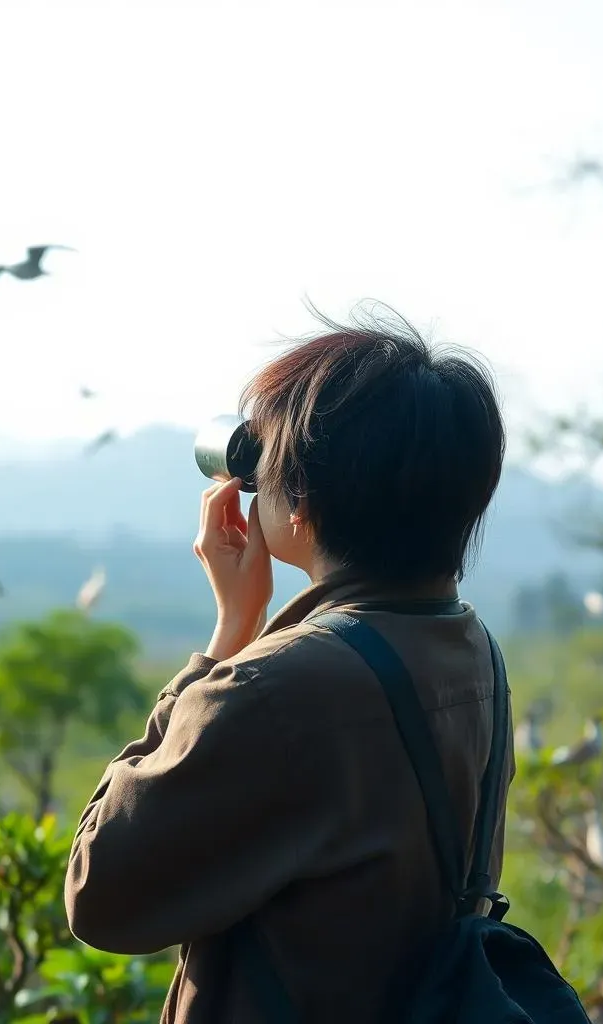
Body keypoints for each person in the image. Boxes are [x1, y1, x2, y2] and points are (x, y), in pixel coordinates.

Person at [64, 305, 512, 1024]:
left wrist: (226, 641)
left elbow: (100, 896)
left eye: (264, 463)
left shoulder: (277, 689)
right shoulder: (471, 651)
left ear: (299, 498)